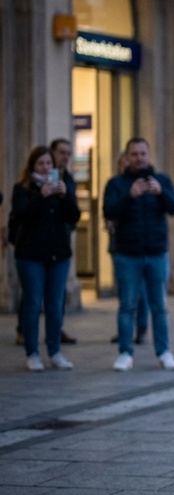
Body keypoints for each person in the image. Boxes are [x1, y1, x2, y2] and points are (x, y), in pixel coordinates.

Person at [103, 137, 174, 372]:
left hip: (157, 253)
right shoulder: (117, 184)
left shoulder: (161, 180)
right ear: (127, 158)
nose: (139, 158)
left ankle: (164, 352)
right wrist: (130, 195)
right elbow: (108, 210)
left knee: (159, 305)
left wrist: (161, 193)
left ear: (149, 156)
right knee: (127, 305)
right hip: (128, 253)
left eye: (142, 154)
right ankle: (125, 353)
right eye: (134, 154)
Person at [10, 145, 81, 371]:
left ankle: (55, 351)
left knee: (55, 304)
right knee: (32, 303)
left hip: (58, 254)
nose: (45, 167)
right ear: (33, 166)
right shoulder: (22, 189)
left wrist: (65, 196)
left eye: (49, 163)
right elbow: (23, 216)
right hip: (31, 254)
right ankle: (32, 352)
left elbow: (74, 216)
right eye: (41, 163)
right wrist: (41, 196)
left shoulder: (62, 185)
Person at [109, 149, 149, 346]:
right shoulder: (117, 186)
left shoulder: (149, 184)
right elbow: (109, 210)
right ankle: (125, 333)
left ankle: (140, 327)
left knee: (141, 292)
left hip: (142, 248)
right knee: (126, 295)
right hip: (121, 245)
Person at [49, 137, 79, 346]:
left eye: (69, 153)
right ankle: (23, 330)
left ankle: (57, 329)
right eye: (62, 152)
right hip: (38, 241)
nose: (65, 157)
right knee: (33, 292)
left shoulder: (68, 179)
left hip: (61, 239)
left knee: (57, 290)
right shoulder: (36, 179)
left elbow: (73, 210)